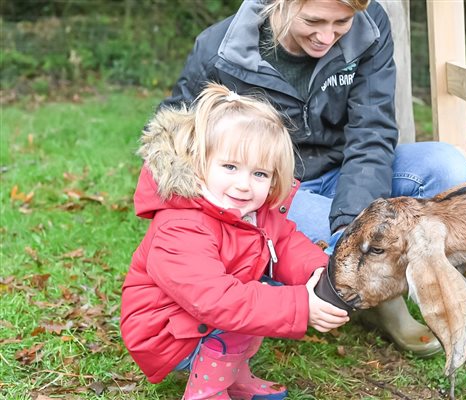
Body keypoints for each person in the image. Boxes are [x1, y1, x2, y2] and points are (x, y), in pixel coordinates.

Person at [161, 0, 466, 357]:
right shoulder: (221, 48)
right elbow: (173, 137)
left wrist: (353, 226)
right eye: (313, 20)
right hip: (274, 191)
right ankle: (299, 282)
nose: (327, 36)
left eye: (342, 21)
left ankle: (381, 293)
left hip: (344, 170)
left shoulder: (369, 27)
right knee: (326, 244)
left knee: (445, 166)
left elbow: (371, 130)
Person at [120, 82, 350, 399]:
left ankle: (235, 376)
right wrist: (300, 306)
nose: (244, 185)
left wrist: (319, 273)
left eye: (260, 174)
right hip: (165, 332)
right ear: (199, 164)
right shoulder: (180, 227)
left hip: (199, 316)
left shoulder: (252, 211)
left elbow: (284, 243)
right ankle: (206, 391)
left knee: (263, 297)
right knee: (254, 304)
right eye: (230, 167)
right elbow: (217, 301)